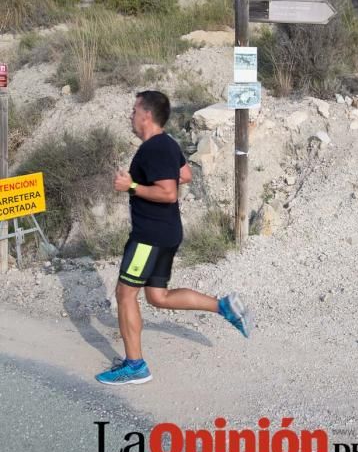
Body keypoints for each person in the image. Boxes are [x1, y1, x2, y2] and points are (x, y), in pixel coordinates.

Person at [95, 90, 252, 385]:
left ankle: (135, 365)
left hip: (148, 237)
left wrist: (131, 186)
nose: (130, 115)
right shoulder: (168, 144)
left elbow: (168, 192)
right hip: (167, 233)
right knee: (158, 296)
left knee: (125, 294)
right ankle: (223, 306)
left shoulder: (153, 148)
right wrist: (144, 182)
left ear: (146, 115)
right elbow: (185, 175)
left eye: (134, 110)